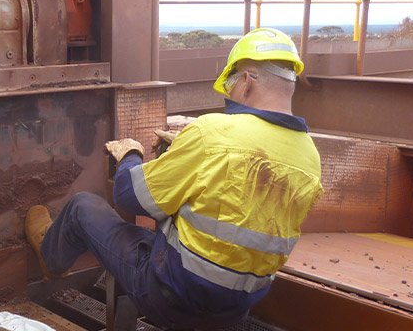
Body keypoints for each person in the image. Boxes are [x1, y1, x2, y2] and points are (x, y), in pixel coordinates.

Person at [25, 28, 324, 330]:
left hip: (171, 297)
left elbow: (129, 195)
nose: (229, 96)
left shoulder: (213, 133)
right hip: (231, 313)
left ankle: (50, 260)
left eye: (230, 87)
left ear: (245, 81)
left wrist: (130, 153)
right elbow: (241, 208)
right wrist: (184, 149)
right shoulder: (310, 159)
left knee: (81, 208)